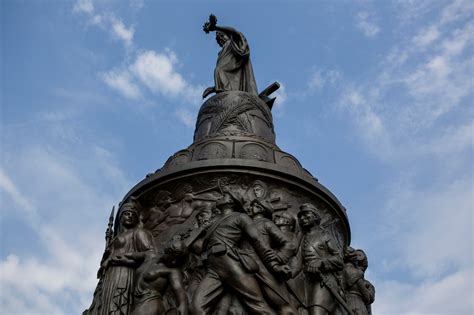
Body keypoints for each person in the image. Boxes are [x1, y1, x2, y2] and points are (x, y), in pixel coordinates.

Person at [191, 191, 291, 314]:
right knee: (197, 307)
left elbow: (258, 241)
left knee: (258, 306)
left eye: (223, 196)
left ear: (230, 201)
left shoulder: (241, 217)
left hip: (231, 263)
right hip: (212, 268)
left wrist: (274, 265)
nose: (219, 198)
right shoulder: (214, 222)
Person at [84, 199, 154, 315]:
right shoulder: (114, 239)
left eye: (133, 215)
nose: (130, 216)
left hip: (124, 273)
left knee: (118, 304)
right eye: (127, 214)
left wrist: (126, 257)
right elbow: (105, 261)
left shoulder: (139, 233)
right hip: (109, 277)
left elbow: (150, 254)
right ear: (121, 217)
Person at [242, 199, 297, 315]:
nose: (250, 208)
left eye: (254, 206)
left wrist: (280, 257)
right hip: (244, 265)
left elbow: (289, 245)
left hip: (264, 267)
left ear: (261, 209)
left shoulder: (266, 223)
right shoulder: (244, 224)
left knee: (282, 305)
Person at [293, 203, 345, 315]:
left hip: (323, 281)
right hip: (306, 281)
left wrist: (321, 262)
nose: (302, 218)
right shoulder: (301, 237)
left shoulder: (325, 236)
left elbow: (339, 260)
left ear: (315, 216)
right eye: (300, 216)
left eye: (306, 214)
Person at [122, 240, 189, 315]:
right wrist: (113, 258)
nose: (174, 262)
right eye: (174, 256)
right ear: (167, 250)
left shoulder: (172, 271)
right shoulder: (150, 255)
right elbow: (131, 255)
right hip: (137, 302)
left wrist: (183, 306)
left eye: (177, 260)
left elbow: (179, 290)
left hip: (151, 302)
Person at [202, 14, 258, 98]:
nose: (220, 39)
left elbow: (234, 32)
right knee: (218, 70)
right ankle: (226, 95)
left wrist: (216, 27)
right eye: (218, 39)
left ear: (227, 35)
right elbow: (231, 77)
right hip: (231, 88)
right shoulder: (221, 53)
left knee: (219, 70)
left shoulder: (233, 42)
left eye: (221, 36)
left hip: (232, 89)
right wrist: (213, 88)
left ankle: (227, 95)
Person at [343, 248, 375, 315]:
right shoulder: (344, 272)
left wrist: (359, 282)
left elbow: (368, 298)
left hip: (359, 308)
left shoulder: (368, 284)